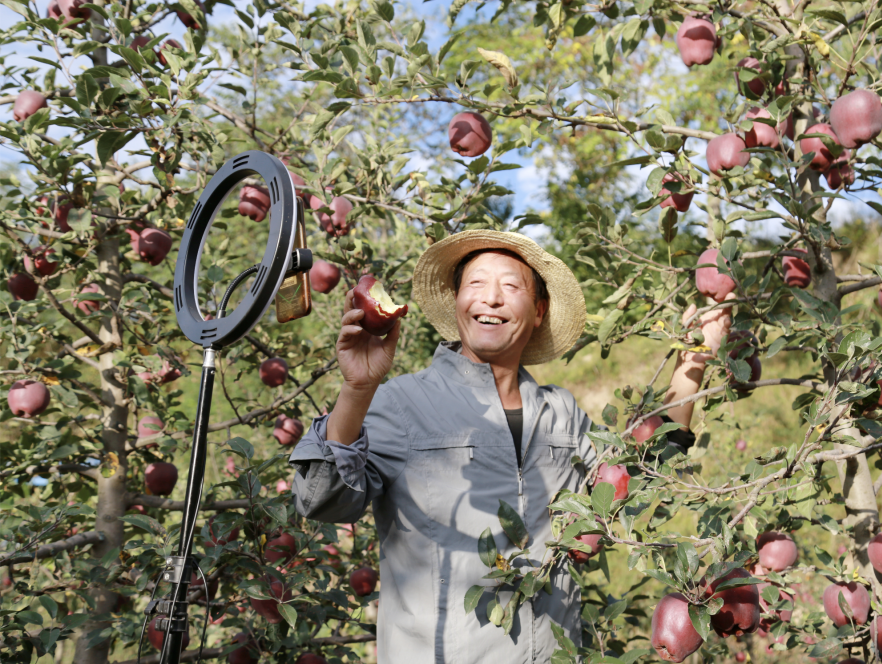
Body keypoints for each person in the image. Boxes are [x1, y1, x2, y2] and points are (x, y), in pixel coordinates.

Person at [289, 230, 732, 663]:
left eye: (511, 286)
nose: (492, 298)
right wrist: (357, 388)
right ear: (458, 302)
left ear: (538, 311)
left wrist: (694, 359)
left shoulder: (561, 412)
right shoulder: (403, 403)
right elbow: (321, 501)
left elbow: (636, 478)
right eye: (476, 283)